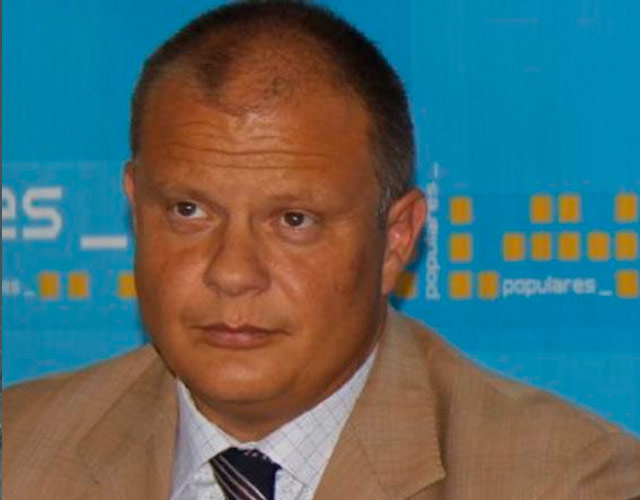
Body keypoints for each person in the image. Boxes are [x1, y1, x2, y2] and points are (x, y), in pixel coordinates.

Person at [3, 2, 640, 499]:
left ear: (395, 239)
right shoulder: (15, 452)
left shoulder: (568, 481)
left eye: (294, 220)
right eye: (188, 211)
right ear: (135, 207)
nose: (232, 273)